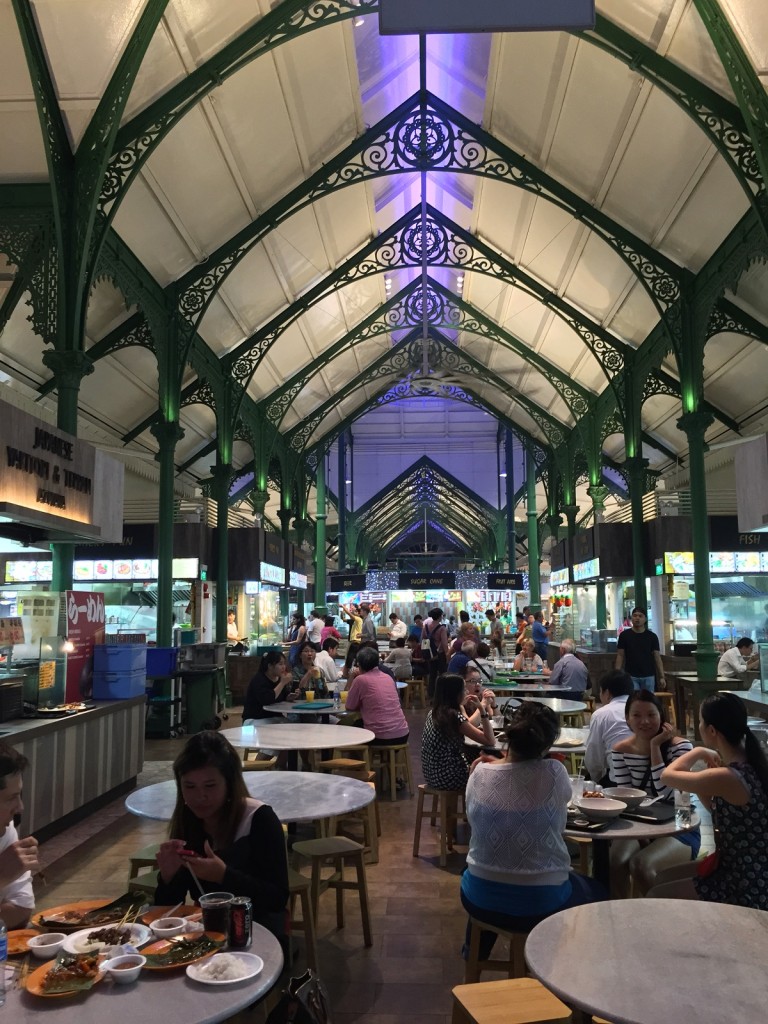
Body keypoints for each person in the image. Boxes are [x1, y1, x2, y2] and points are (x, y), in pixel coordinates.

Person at [460, 702, 605, 959]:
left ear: (509, 735)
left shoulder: (479, 772)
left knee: (488, 875)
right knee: (598, 890)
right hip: (542, 901)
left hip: (479, 898)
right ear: (548, 744)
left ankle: (472, 954)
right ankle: (558, 965)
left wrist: (495, 766)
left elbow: (478, 819)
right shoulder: (554, 772)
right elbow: (560, 806)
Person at [155, 731, 288, 947]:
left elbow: (277, 898)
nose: (200, 797)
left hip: (259, 933)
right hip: (208, 936)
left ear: (229, 784)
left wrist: (223, 875)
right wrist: (168, 878)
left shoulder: (259, 819)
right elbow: (168, 913)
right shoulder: (188, 823)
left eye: (210, 786)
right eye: (190, 787)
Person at [648, 692, 768, 909]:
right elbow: (717, 811)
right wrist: (704, 785)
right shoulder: (750, 764)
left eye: (701, 722)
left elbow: (667, 775)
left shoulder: (729, 775)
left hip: (744, 881)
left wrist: (700, 751)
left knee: (657, 895)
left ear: (712, 731)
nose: (699, 727)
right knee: (660, 878)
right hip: (740, 867)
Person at [609, 689, 700, 896]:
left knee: (641, 865)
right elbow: (625, 800)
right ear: (627, 719)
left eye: (651, 715)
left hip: (681, 824)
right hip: (639, 825)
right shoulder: (620, 750)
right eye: (637, 715)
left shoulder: (681, 747)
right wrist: (643, 837)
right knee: (616, 862)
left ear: (662, 717)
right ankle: (619, 919)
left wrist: (655, 747)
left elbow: (672, 796)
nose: (645, 721)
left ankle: (663, 919)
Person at [421, 673, 496, 791]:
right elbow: (490, 740)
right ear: (455, 693)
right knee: (492, 772)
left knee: (478, 758)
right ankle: (480, 808)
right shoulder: (453, 716)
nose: (466, 691)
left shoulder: (435, 712)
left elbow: (468, 725)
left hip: (432, 775)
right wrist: (482, 709)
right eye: (464, 688)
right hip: (449, 778)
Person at [0, 741, 38, 928]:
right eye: (11, 798)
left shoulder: (5, 831)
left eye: (19, 795)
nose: (20, 808)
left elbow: (21, 910)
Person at [344, 647, 409, 747]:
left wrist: (352, 676)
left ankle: (361, 761)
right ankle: (385, 761)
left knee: (349, 727)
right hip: (403, 734)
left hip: (378, 737)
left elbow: (349, 706)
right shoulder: (387, 677)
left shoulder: (360, 680)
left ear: (359, 665)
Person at [583, 670, 633, 785]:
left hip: (617, 781)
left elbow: (594, 759)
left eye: (600, 691)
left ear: (607, 693)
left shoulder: (602, 714)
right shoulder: (643, 710)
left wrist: (595, 781)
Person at [615, 607, 666, 690]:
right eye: (635, 616)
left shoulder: (652, 636)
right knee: (634, 700)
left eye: (640, 616)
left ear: (645, 619)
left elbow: (657, 657)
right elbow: (620, 655)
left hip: (649, 675)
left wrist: (662, 676)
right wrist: (616, 674)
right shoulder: (624, 635)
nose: (637, 618)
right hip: (631, 675)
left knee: (648, 701)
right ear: (631, 618)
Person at [243, 650, 293, 721]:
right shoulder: (259, 680)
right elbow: (267, 700)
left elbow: (281, 696)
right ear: (270, 666)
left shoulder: (279, 679)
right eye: (280, 664)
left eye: (284, 664)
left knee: (290, 726)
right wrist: (282, 683)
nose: (283, 667)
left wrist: (289, 697)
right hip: (255, 719)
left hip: (274, 717)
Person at [422, 607, 450, 698]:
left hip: (430, 654)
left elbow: (423, 639)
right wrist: (447, 655)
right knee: (443, 675)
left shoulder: (425, 626)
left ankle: (431, 694)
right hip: (440, 654)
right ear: (440, 616)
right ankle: (442, 695)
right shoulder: (442, 628)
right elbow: (445, 644)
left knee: (432, 675)